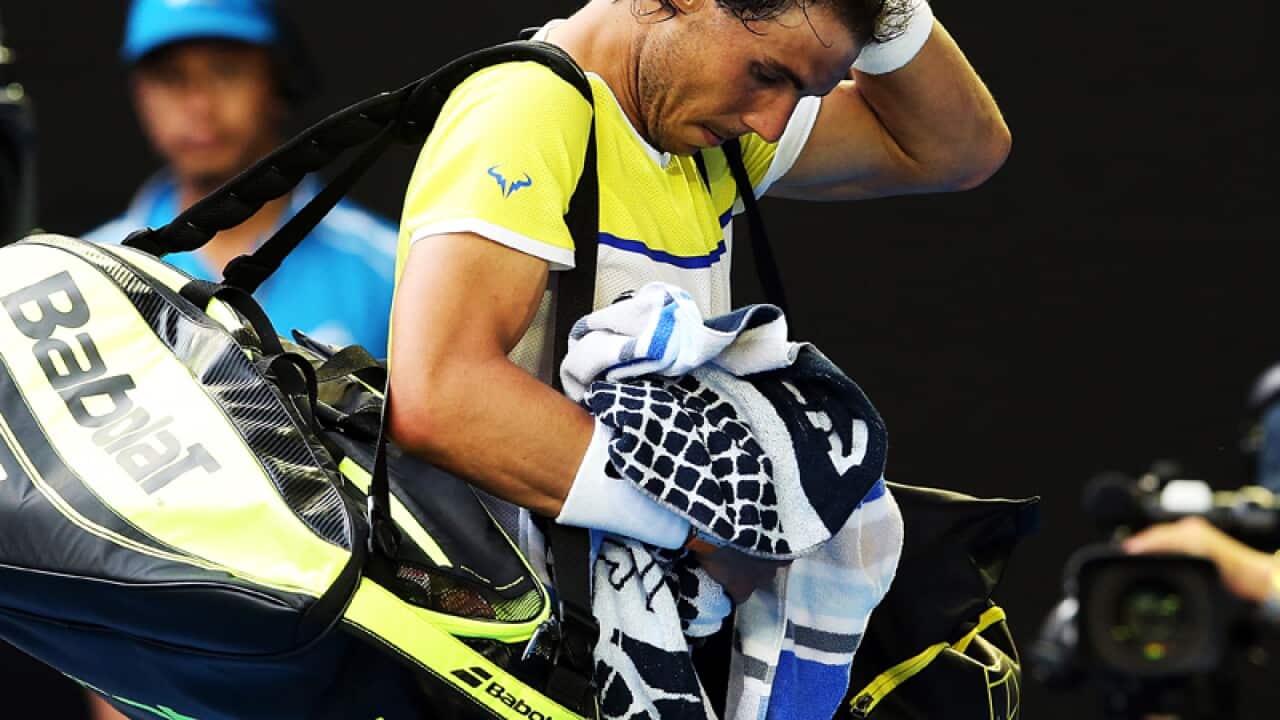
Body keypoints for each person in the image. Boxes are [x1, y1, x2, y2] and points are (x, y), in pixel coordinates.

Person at [388, 0, 1010, 594]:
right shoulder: (527, 106)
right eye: (767, 73)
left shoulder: (711, 133)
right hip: (500, 652)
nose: (772, 120)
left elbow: (957, 149)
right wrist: (705, 526)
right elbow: (443, 396)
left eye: (801, 93)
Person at [85, 0, 398, 353]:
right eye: (171, 77)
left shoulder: (394, 270)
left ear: (278, 81)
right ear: (140, 95)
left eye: (226, 70)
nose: (200, 105)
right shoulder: (84, 277)